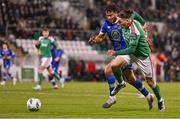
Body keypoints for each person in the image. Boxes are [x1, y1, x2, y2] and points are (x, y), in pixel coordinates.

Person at [89, 4, 153, 109]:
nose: (109, 17)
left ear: (116, 13)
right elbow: (100, 38)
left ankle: (112, 97)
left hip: (127, 52)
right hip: (118, 53)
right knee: (131, 79)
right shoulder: (105, 24)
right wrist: (95, 40)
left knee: (108, 70)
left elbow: (135, 18)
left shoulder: (123, 21)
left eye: (111, 15)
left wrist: (144, 28)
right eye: (107, 15)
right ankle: (148, 96)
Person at [107, 10, 165, 111]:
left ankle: (160, 100)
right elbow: (134, 13)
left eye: (120, 22)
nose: (118, 24)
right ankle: (121, 83)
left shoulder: (134, 32)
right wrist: (144, 25)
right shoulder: (129, 20)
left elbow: (131, 49)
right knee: (114, 65)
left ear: (128, 21)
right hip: (131, 55)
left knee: (150, 82)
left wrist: (115, 53)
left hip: (142, 56)